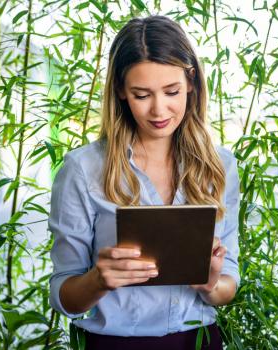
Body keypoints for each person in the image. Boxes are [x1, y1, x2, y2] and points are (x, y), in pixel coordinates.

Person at [48, 15, 240, 349]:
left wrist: (210, 283)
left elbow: (228, 285)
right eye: (141, 95)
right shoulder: (81, 169)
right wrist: (98, 280)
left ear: (191, 82)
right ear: (120, 90)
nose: (159, 109)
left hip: (199, 341)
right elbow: (64, 295)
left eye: (172, 91)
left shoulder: (220, 166)